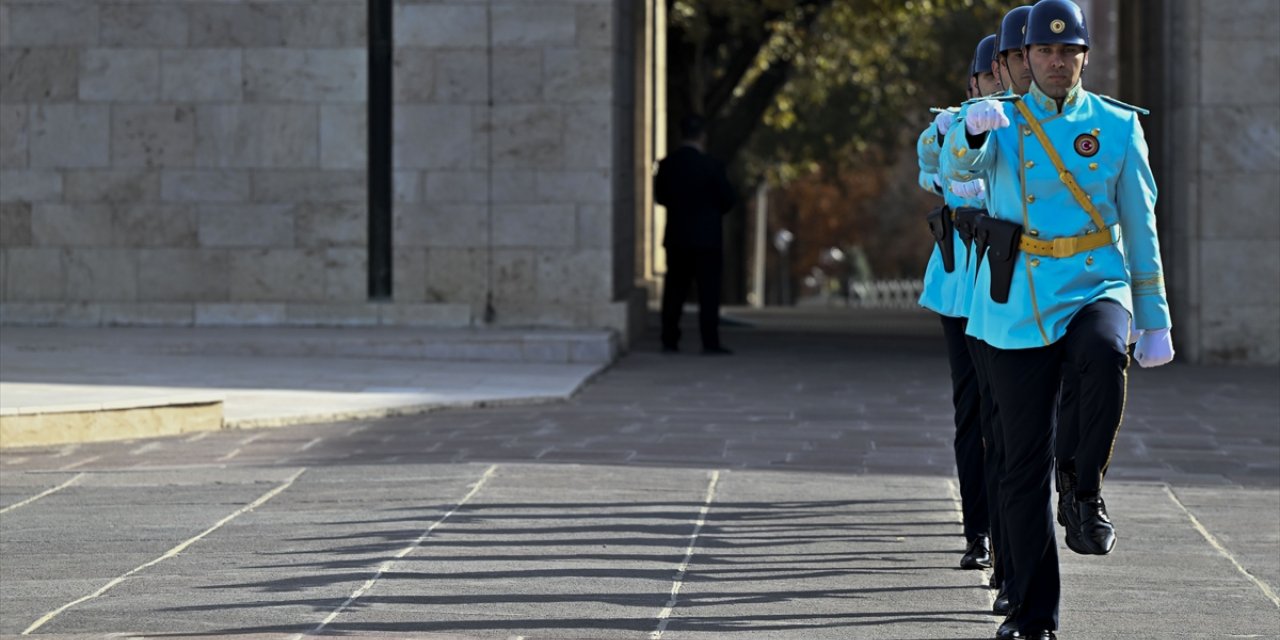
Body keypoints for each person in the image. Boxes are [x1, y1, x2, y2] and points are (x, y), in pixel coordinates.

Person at [944, 1, 1174, 637]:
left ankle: (1083, 483)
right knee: (1021, 463)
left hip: (1096, 280)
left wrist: (1154, 315)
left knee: (1105, 355)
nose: (1053, 60)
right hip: (1019, 298)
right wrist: (970, 135)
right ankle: (1033, 613)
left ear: (1082, 58)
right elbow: (952, 178)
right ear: (1025, 59)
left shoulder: (1118, 126)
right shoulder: (999, 120)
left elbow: (1141, 225)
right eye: (1042, 52)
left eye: (1065, 51)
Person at [914, 33, 1001, 579]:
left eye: (1009, 66)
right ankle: (980, 532)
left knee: (1014, 414)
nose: (1000, 79)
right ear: (974, 82)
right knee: (971, 409)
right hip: (961, 285)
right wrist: (950, 129)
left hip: (1015, 283)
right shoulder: (960, 122)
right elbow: (932, 161)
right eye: (991, 73)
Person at [654, 115, 737, 355]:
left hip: (678, 236)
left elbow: (661, 197)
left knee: (675, 290)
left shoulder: (668, 165)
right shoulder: (712, 166)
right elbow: (728, 199)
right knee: (708, 292)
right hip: (707, 238)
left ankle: (669, 339)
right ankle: (709, 341)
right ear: (702, 136)